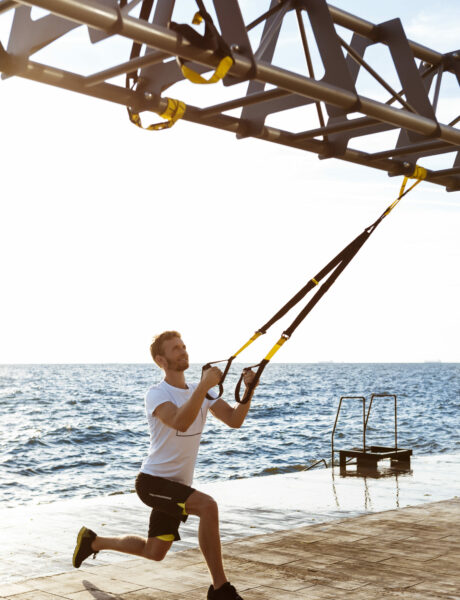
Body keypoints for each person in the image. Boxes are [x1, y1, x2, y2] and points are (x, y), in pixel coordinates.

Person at [72, 330, 256, 600]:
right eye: (175, 349)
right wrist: (204, 387)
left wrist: (249, 390)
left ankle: (93, 541)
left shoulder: (201, 392)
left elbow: (234, 419)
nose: (183, 351)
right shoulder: (157, 394)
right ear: (162, 360)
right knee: (208, 506)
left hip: (177, 486)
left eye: (183, 346)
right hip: (153, 483)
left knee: (154, 552)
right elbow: (180, 421)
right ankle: (220, 590)